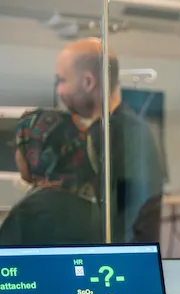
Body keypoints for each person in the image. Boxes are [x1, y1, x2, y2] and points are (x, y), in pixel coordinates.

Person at [56, 38, 165, 244]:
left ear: (88, 82)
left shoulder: (109, 136)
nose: (59, 91)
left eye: (62, 80)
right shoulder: (133, 130)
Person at [0, 108, 103, 246]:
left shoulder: (28, 215)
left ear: (36, 152)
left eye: (19, 146)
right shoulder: (98, 207)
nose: (16, 155)